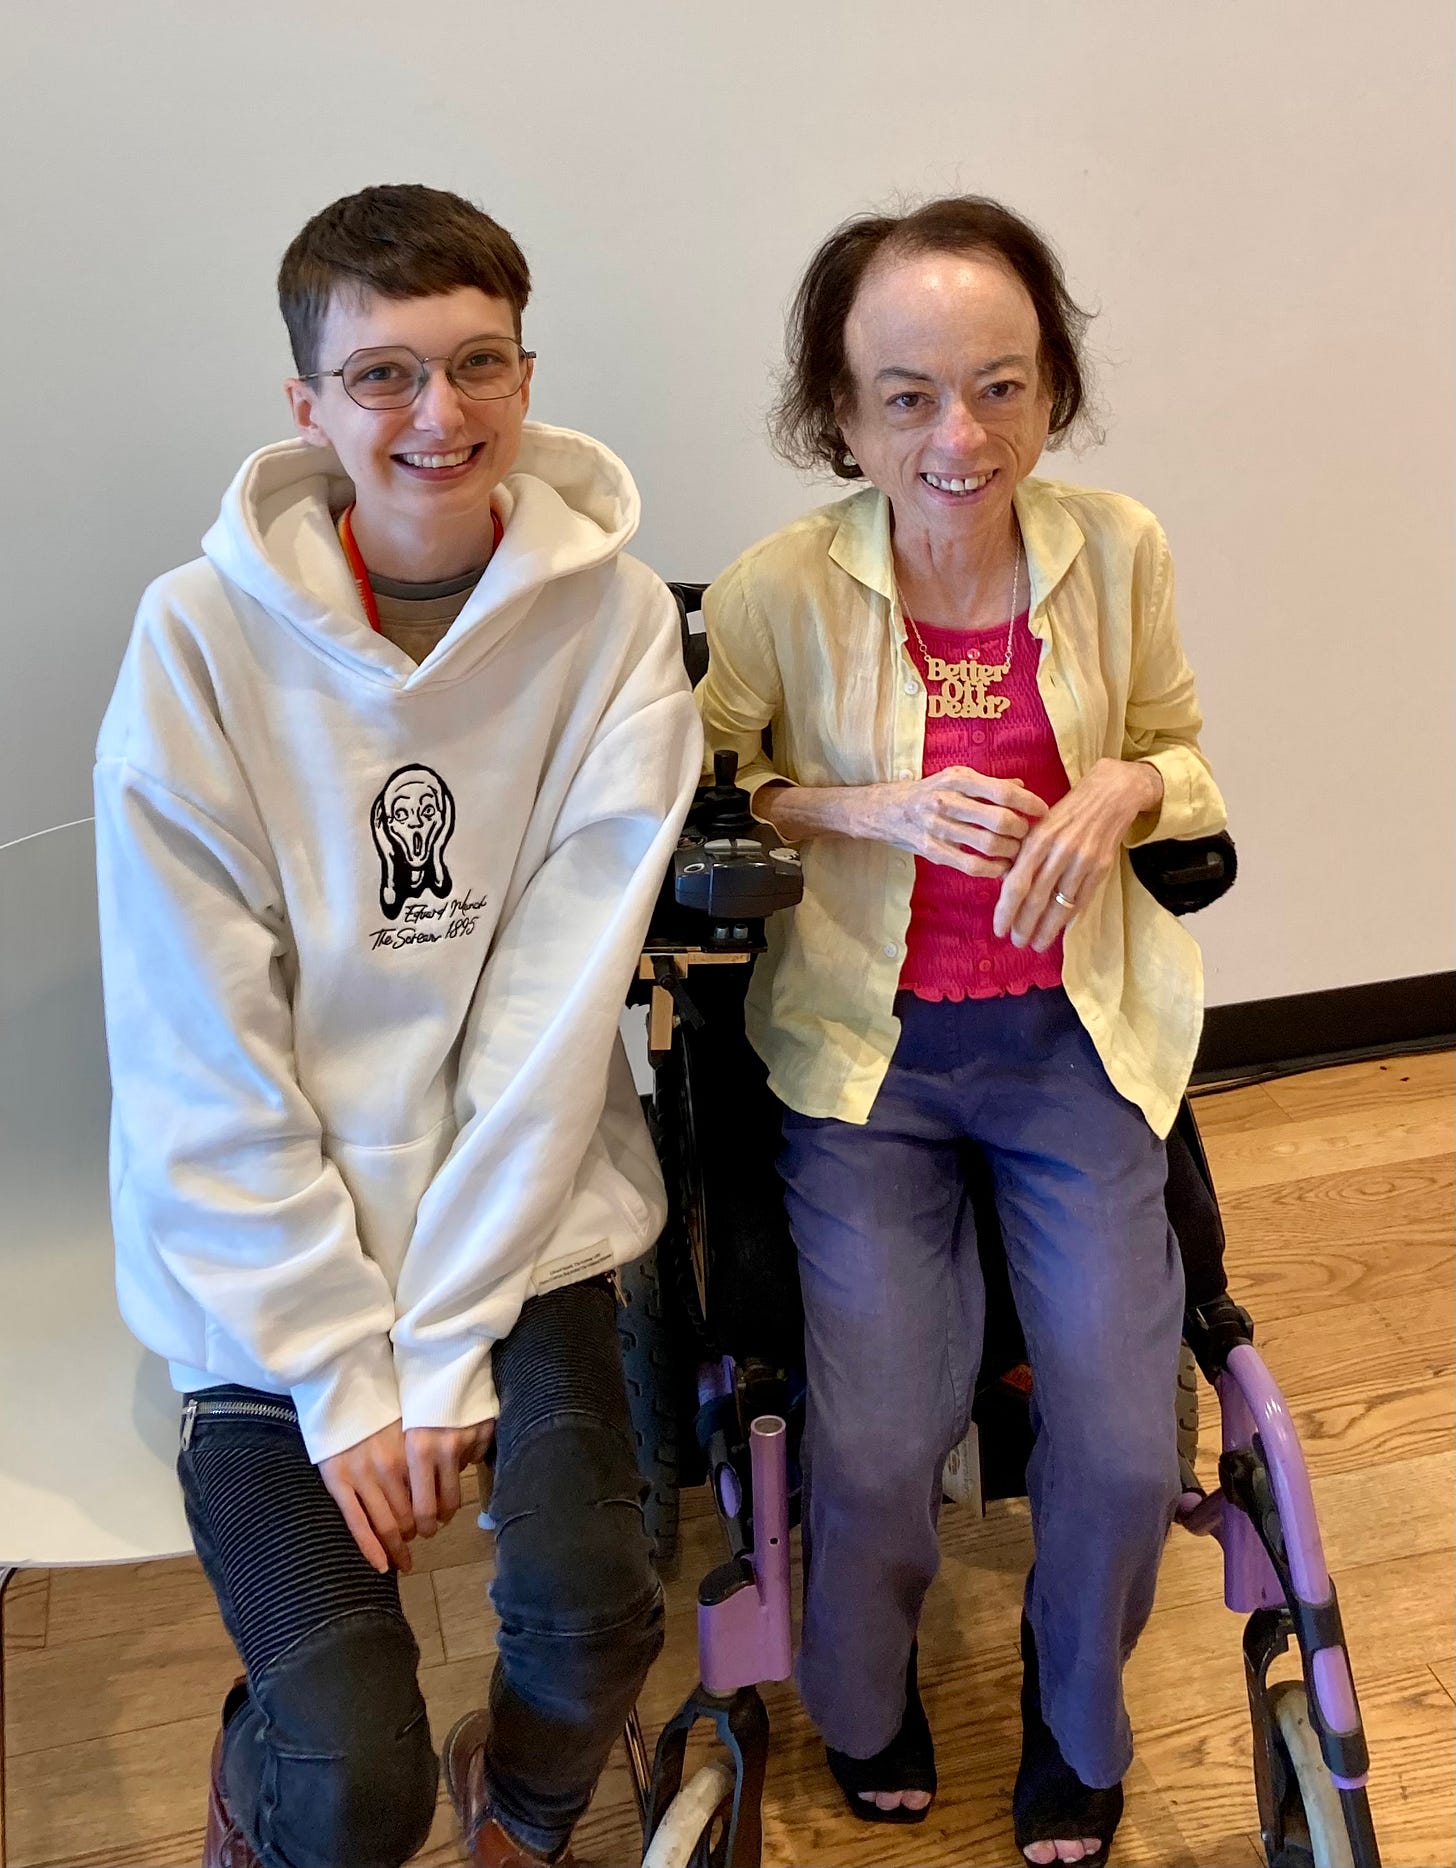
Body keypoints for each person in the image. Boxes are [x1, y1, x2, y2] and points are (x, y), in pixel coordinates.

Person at [95, 183, 701, 1868]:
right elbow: (198, 1048)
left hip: (518, 1227)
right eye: (381, 376)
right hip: (264, 1267)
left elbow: (553, 1020)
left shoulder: (616, 625)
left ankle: (515, 1818)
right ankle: (271, 1793)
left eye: (478, 363)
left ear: (526, 373)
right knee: (349, 1770)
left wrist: (441, 1343)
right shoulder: (196, 640)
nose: (438, 417)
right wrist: (341, 1372)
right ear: (307, 404)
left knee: (597, 1621)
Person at [697, 195, 1227, 1866]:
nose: (959, 433)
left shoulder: (1117, 547)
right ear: (840, 415)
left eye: (1000, 386)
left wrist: (1126, 787)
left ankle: (1076, 1708)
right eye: (908, 394)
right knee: (870, 1435)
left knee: (1130, 1439)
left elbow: (1177, 744)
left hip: (1076, 1046)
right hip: (873, 1064)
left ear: (1050, 390)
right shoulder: (784, 589)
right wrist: (873, 806)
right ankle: (863, 1697)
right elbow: (711, 795)